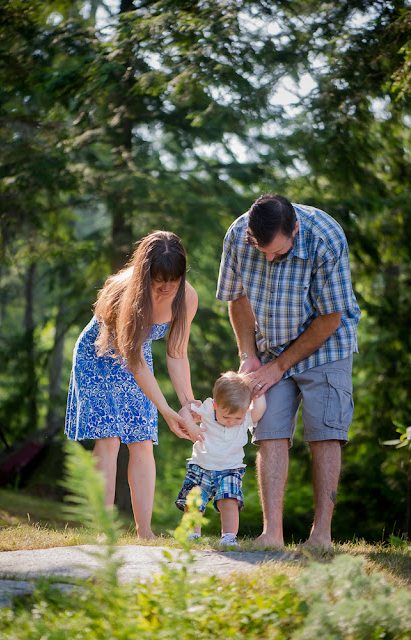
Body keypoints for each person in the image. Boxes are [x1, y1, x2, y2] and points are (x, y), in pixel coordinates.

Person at [216, 193, 361, 549]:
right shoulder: (238, 235)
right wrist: (248, 354)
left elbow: (331, 317)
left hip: (326, 345)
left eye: (277, 252)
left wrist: (280, 367)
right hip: (270, 345)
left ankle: (321, 537)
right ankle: (272, 535)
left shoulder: (326, 237)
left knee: (325, 431)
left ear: (294, 230)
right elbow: (237, 298)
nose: (268, 257)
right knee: (269, 431)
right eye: (261, 250)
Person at [65, 231, 203, 540]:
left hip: (136, 361)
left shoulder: (187, 297)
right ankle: (102, 532)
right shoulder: (124, 293)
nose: (167, 286)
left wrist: (188, 403)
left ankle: (145, 533)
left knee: (141, 440)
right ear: (145, 273)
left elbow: (176, 352)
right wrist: (165, 409)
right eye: (159, 280)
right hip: (98, 357)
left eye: (174, 279)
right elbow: (135, 358)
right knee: (110, 438)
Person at [175, 371, 266, 547]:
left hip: (231, 468)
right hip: (201, 466)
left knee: (230, 501)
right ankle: (193, 535)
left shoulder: (245, 416)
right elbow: (184, 411)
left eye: (237, 418)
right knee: (194, 501)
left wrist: (256, 392)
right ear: (216, 406)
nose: (231, 422)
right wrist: (191, 425)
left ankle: (229, 537)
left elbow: (259, 409)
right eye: (226, 417)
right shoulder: (208, 408)